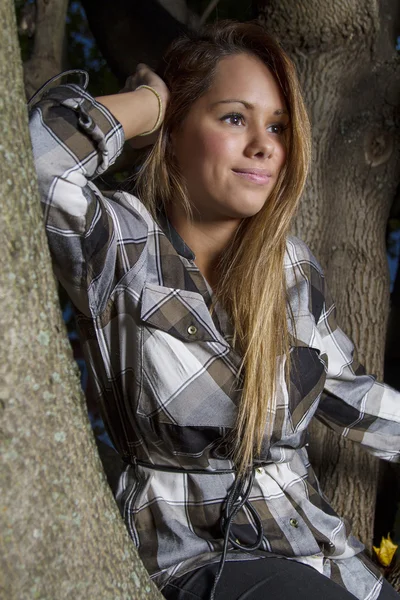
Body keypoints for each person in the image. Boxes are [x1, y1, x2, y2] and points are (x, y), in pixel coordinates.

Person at [29, 20, 400, 600]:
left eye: (277, 126)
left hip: (328, 559)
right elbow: (32, 162)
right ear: (175, 133)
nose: (264, 144)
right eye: (234, 117)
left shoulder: (289, 268)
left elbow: (349, 394)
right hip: (203, 560)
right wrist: (149, 104)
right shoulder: (123, 243)